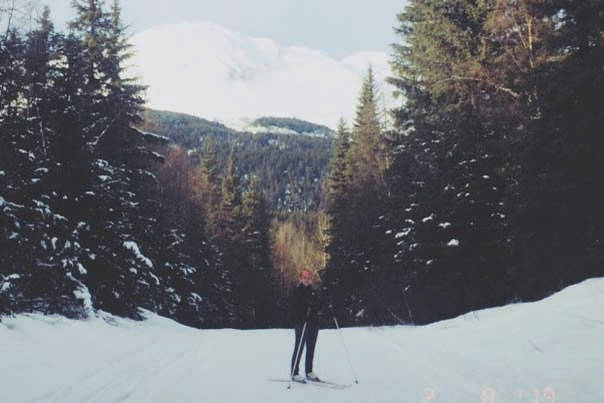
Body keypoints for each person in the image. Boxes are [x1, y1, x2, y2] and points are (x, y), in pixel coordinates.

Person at [289, 269, 321, 382]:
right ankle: (294, 372)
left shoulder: (313, 292)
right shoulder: (297, 291)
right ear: (300, 278)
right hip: (301, 324)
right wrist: (302, 316)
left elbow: (318, 306)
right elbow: (293, 308)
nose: (307, 280)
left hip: (313, 324)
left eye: (308, 278)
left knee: (311, 348)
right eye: (304, 278)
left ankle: (309, 371)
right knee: (299, 347)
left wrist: (327, 310)